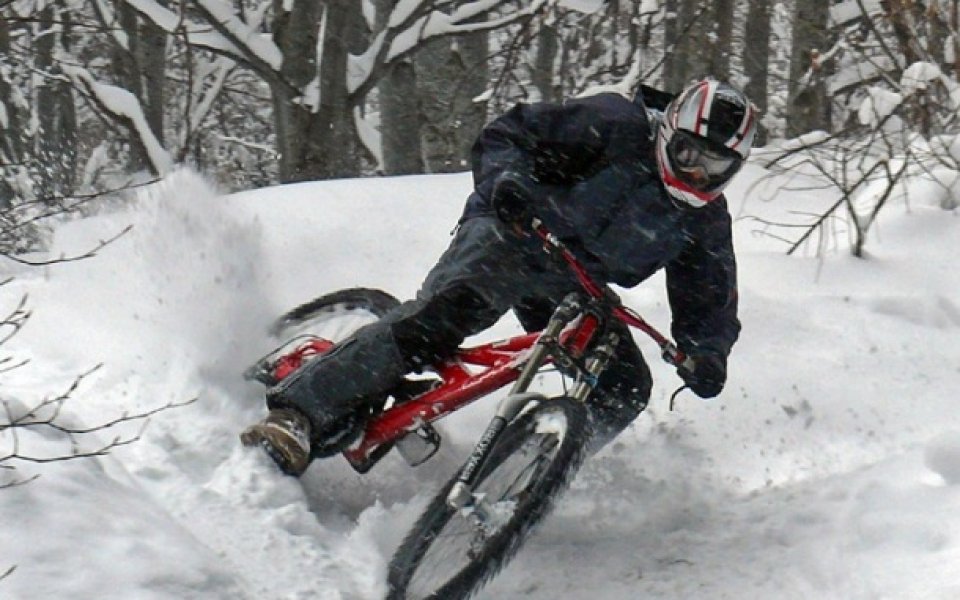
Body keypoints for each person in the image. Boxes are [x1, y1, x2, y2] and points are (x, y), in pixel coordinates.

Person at [241, 78, 758, 476]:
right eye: (690, 155)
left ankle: (527, 479)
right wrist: (508, 185)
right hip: (514, 230)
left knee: (625, 386)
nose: (696, 175)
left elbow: (709, 293)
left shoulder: (704, 219)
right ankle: (297, 415)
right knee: (440, 322)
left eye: (715, 168)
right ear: (669, 130)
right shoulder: (614, 124)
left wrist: (707, 352)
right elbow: (510, 135)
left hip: (576, 284)